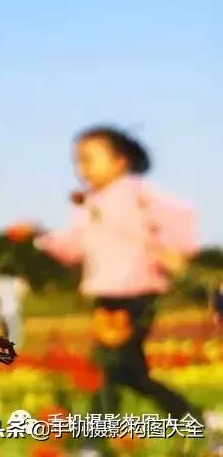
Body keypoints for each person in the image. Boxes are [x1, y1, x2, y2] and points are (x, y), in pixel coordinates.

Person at [34, 126, 204, 425]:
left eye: (88, 159)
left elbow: (181, 213)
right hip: (106, 295)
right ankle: (198, 419)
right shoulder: (89, 202)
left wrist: (174, 250)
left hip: (137, 292)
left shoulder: (137, 192)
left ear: (120, 161)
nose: (81, 169)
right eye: (77, 161)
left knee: (106, 366)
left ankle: (94, 438)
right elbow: (75, 246)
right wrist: (42, 238)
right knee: (129, 372)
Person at [0, 258, 29, 349]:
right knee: (15, 336)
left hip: (0, 313)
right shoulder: (16, 281)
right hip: (13, 312)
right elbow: (23, 294)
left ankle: (2, 350)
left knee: (5, 333)